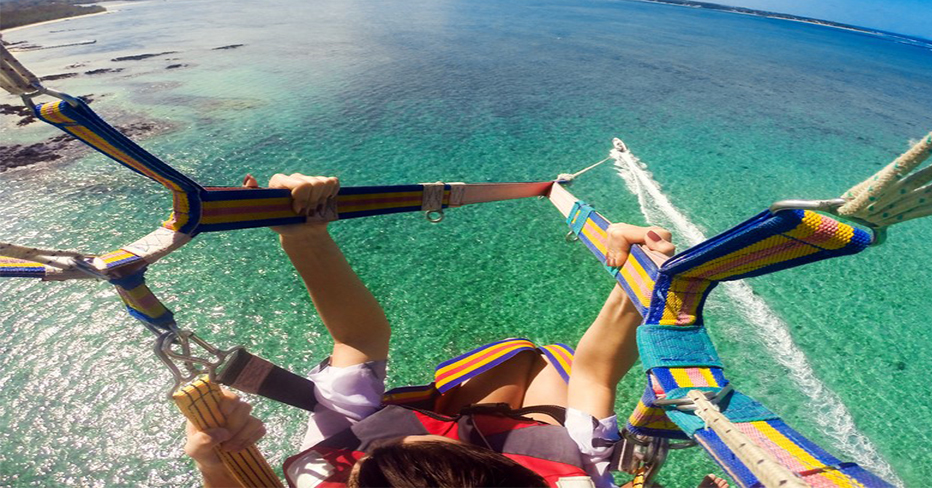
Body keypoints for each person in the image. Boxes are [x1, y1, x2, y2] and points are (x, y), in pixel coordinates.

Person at [183, 173, 727, 488]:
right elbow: (595, 368)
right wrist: (646, 274)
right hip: (541, 428)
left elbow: (359, 339)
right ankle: (516, 384)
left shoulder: (338, 462)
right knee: (535, 359)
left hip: (497, 422)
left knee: (520, 361)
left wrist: (301, 232)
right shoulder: (575, 473)